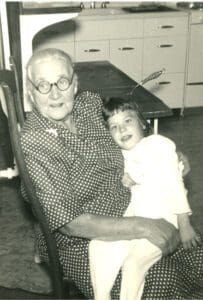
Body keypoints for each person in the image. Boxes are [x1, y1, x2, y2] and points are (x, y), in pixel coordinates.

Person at [20, 48, 203, 299]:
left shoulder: (89, 105)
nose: (54, 93)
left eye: (62, 82)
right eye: (42, 85)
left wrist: (162, 153)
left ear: (74, 85)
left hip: (138, 204)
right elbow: (71, 224)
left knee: (196, 254)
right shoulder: (35, 144)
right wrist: (144, 227)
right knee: (161, 282)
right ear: (30, 92)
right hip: (84, 240)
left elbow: (126, 130)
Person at [89, 97, 200, 300]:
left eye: (128, 121)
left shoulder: (157, 144)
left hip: (165, 220)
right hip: (136, 220)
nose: (122, 130)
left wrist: (184, 222)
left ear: (142, 122)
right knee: (98, 245)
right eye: (114, 127)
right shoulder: (121, 155)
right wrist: (125, 179)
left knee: (133, 264)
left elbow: (175, 182)